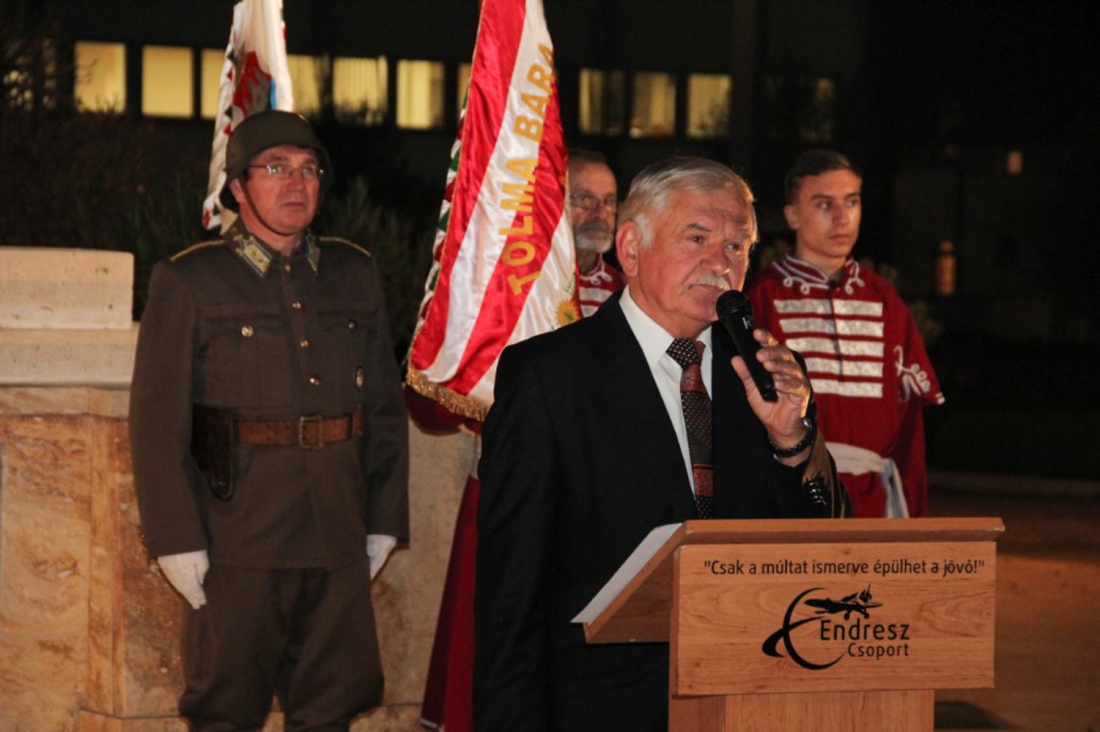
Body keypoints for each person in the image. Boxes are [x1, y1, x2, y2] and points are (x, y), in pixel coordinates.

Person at [473, 157, 846, 731]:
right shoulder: (549, 377)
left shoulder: (769, 372)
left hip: (749, 699)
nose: (721, 263)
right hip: (602, 709)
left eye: (737, 246)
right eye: (698, 238)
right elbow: (511, 594)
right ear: (630, 249)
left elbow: (828, 544)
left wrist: (791, 440)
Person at [129, 110, 409, 729]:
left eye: (308, 170)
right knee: (225, 711)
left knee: (332, 707)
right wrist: (175, 539)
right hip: (237, 540)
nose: (296, 183)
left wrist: (384, 520)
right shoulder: (191, 279)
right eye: (276, 169)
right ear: (238, 187)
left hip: (337, 533)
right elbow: (156, 426)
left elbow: (384, 412)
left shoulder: (352, 272)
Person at [745, 149, 944, 518]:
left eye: (851, 202)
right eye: (824, 204)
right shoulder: (762, 298)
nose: (841, 217)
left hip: (874, 502)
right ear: (792, 215)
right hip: (792, 496)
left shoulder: (884, 299)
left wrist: (915, 518)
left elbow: (910, 427)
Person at [568, 149, 625, 316]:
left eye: (609, 201)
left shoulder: (625, 292)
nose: (600, 213)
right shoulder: (524, 285)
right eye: (584, 198)